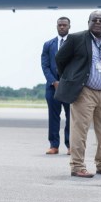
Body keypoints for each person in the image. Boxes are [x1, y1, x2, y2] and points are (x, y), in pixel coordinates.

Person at [54, 10, 101, 178]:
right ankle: (77, 166)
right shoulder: (76, 38)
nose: (97, 22)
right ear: (88, 22)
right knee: (80, 130)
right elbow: (60, 59)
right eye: (94, 20)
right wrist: (71, 77)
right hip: (85, 92)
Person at [41, 17, 71, 155]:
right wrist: (53, 81)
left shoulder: (74, 43)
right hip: (52, 87)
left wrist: (66, 82)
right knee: (53, 117)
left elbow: (77, 64)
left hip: (69, 86)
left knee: (71, 117)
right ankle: (54, 145)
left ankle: (70, 145)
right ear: (56, 26)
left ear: (69, 26)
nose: (62, 27)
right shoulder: (48, 44)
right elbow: (45, 66)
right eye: (60, 25)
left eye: (64, 25)